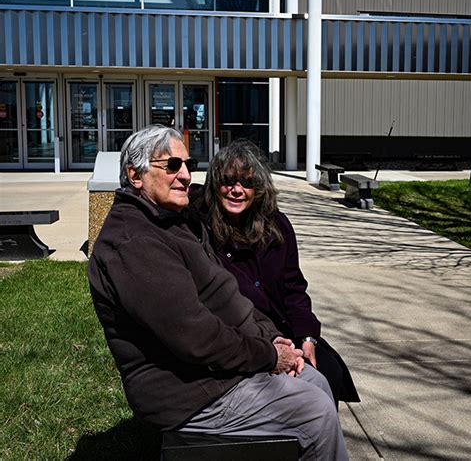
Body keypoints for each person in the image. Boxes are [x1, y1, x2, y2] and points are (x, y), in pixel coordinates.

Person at [88, 125, 349, 460]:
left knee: (318, 380)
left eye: (188, 164)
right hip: (185, 394)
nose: (184, 175)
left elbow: (226, 295)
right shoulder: (134, 241)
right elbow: (194, 335)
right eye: (171, 166)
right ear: (134, 175)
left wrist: (274, 338)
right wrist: (269, 356)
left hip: (211, 373)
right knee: (314, 411)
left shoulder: (171, 222)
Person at [195, 140, 360, 407]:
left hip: (286, 328)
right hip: (245, 335)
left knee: (328, 372)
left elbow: (294, 288)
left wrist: (307, 337)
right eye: (228, 181)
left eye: (247, 183)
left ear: (258, 189)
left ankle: (315, 439)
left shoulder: (276, 226)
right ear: (214, 183)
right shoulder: (201, 230)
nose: (237, 190)